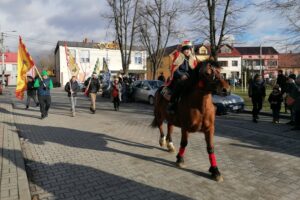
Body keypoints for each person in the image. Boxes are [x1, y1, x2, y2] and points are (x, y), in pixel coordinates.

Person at [167, 40, 197, 114]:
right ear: (183, 50)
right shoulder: (179, 57)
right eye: (185, 49)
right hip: (179, 77)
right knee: (178, 85)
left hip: (189, 78)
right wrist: (181, 75)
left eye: (188, 49)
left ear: (191, 50)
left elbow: (193, 70)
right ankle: (172, 104)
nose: (187, 51)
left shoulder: (192, 59)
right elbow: (175, 69)